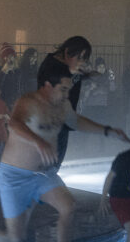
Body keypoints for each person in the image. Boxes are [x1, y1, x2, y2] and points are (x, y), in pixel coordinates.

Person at [0, 64, 129, 242]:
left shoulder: (63, 105)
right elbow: (14, 124)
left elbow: (76, 122)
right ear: (48, 86)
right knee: (15, 235)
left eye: (69, 89)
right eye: (63, 88)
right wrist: (39, 142)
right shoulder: (29, 102)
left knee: (68, 206)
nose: (66, 94)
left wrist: (107, 131)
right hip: (14, 177)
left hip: (43, 175)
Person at [35, 36, 93, 168]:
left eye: (84, 58)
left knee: (55, 162)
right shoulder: (52, 67)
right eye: (79, 57)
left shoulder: (68, 66)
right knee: (49, 164)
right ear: (67, 52)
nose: (82, 62)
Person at [0, 42, 20, 107]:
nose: (10, 59)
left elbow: (18, 85)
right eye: (8, 57)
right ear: (3, 58)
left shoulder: (16, 69)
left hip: (13, 101)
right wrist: (4, 71)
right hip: (2, 100)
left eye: (12, 56)